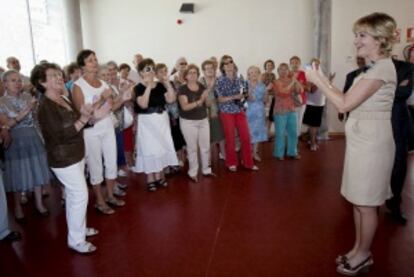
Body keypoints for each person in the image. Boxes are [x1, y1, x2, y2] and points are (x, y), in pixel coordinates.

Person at [306, 12, 397, 275]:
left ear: (379, 39)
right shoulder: (371, 69)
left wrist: (318, 80)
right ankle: (358, 249)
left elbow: (344, 103)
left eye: (362, 35)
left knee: (367, 203)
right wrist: (322, 78)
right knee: (359, 200)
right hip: (362, 139)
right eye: (356, 35)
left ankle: (364, 254)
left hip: (373, 143)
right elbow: (346, 97)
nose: (356, 40)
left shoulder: (382, 68)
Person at [33, 62, 101, 254]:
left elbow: (75, 122)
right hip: (63, 159)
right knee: (80, 195)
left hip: (75, 153)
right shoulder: (45, 107)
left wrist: (85, 116)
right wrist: (82, 120)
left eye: (58, 74)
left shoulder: (63, 97)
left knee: (73, 197)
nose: (58, 77)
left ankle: (78, 228)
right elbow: (60, 135)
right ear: (42, 82)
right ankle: (76, 240)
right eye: (52, 75)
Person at [72, 49, 126, 215]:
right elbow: (84, 115)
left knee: (111, 163)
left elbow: (112, 107)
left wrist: (123, 96)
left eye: (95, 59)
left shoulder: (103, 83)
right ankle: (99, 201)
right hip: (91, 132)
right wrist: (102, 98)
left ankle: (110, 195)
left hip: (108, 126)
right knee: (95, 166)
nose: (94, 63)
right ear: (82, 65)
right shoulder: (78, 86)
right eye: (90, 60)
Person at [0, 70, 52, 221]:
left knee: (37, 170)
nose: (17, 83)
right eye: (12, 80)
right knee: (17, 174)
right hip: (15, 140)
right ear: (5, 84)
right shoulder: (1, 102)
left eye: (19, 80)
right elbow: (7, 125)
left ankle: (39, 203)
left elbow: (36, 120)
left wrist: (42, 136)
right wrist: (26, 110)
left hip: (33, 137)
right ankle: (17, 206)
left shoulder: (28, 97)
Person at [133, 58, 178, 191]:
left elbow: (171, 99)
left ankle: (159, 176)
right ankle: (150, 178)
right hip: (147, 122)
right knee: (149, 148)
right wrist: (148, 85)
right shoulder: (138, 87)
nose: (151, 71)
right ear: (141, 72)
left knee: (161, 147)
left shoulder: (159, 85)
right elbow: (143, 104)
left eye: (152, 68)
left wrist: (167, 84)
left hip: (161, 120)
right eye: (148, 69)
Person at [215, 55, 258, 172]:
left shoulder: (240, 78)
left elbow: (245, 94)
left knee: (246, 137)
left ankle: (248, 162)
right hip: (226, 112)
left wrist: (248, 95)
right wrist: (234, 96)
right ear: (222, 67)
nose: (228, 65)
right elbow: (220, 99)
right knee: (230, 138)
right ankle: (231, 162)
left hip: (240, 110)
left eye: (230, 62)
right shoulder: (219, 80)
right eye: (225, 63)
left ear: (234, 64)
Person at [385, 58, 414, 224]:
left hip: (398, 125)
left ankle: (394, 205)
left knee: (398, 166)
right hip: (371, 127)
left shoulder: (406, 67)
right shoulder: (362, 71)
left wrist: (374, 91)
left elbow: (404, 92)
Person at [178, 64, 214, 182]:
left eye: (195, 72)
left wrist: (207, 98)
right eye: (190, 73)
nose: (193, 75)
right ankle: (192, 172)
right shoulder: (182, 89)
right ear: (186, 76)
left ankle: (206, 170)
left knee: (205, 147)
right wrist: (201, 100)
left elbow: (207, 104)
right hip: (188, 122)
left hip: (203, 120)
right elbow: (185, 107)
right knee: (192, 148)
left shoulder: (202, 86)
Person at [272, 63, 302, 160]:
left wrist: (295, 80)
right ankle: (279, 154)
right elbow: (283, 93)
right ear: (278, 71)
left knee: (293, 132)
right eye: (281, 69)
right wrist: (293, 82)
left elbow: (300, 90)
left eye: (285, 69)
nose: (283, 71)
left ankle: (292, 152)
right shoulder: (276, 82)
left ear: (288, 71)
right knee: (280, 133)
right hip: (280, 110)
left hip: (291, 109)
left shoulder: (291, 80)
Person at [199, 59, 225, 160]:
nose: (210, 70)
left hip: (218, 111)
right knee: (208, 138)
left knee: (221, 136)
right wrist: (211, 85)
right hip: (205, 113)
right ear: (203, 71)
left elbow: (221, 96)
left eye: (212, 68)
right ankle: (208, 159)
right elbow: (203, 97)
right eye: (207, 68)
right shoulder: (200, 81)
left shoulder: (219, 80)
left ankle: (223, 154)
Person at [303, 58, 326, 151]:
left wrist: (329, 82)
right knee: (313, 124)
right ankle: (312, 142)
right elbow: (311, 90)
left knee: (316, 125)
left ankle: (312, 140)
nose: (315, 66)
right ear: (311, 65)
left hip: (320, 103)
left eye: (317, 64)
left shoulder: (320, 74)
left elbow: (325, 87)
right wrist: (318, 82)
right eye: (314, 64)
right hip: (312, 103)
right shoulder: (309, 75)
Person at [246, 66, 268, 161]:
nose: (254, 74)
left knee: (258, 133)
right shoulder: (245, 85)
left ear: (259, 74)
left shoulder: (262, 85)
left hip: (259, 111)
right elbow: (247, 98)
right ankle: (248, 153)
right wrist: (249, 90)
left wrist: (266, 94)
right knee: (248, 133)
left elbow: (265, 100)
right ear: (248, 75)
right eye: (251, 72)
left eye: (256, 72)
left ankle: (254, 153)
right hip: (247, 111)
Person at [339, 56, 367, 121]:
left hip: (364, 111)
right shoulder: (350, 75)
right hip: (351, 109)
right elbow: (345, 92)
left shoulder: (372, 74)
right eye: (358, 59)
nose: (360, 61)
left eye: (362, 59)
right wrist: (341, 110)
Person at [289, 56, 308, 136]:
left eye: (296, 63)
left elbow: (306, 88)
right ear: (290, 64)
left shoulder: (303, 74)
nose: (294, 64)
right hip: (289, 102)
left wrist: (296, 80)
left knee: (298, 121)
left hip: (301, 101)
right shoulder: (287, 73)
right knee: (289, 122)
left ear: (299, 64)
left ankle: (295, 141)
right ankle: (289, 141)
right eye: (292, 63)